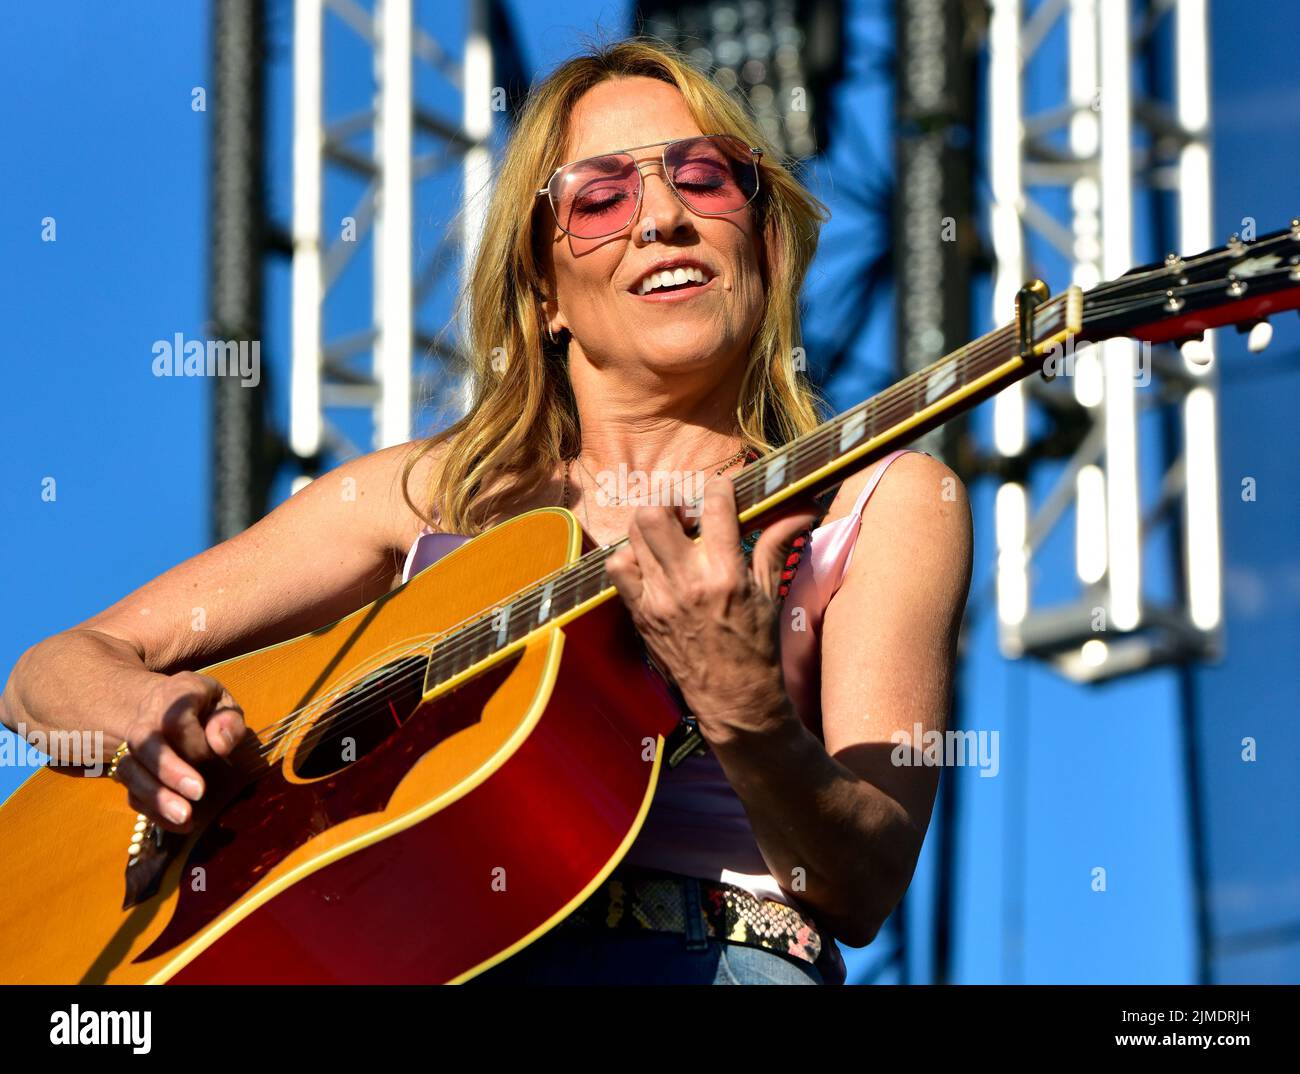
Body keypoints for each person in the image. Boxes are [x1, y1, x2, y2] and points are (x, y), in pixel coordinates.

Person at [0, 38, 971, 985]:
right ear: (544, 288)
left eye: (706, 180)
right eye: (600, 198)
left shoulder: (881, 502)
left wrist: (743, 710)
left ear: (762, 240)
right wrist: (145, 715)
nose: (662, 219)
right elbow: (45, 675)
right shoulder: (428, 492)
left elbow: (861, 883)